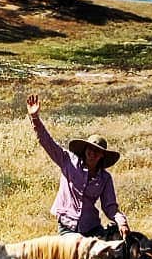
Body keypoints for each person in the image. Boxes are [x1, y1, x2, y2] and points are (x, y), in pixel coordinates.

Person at [25, 95, 129, 239]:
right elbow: (47, 142)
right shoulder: (68, 161)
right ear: (85, 150)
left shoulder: (105, 178)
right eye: (90, 149)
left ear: (102, 156)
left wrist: (121, 222)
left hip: (91, 227)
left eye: (97, 152)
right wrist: (35, 118)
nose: (92, 154)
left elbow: (110, 207)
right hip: (68, 227)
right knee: (75, 255)